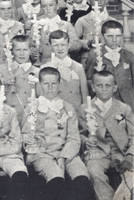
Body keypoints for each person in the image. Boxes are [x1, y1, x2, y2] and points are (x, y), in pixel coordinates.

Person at [21, 67, 91, 200]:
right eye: (46, 84)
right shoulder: (32, 107)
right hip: (43, 153)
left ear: (60, 84)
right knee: (56, 179)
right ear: (40, 85)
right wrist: (28, 141)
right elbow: (25, 133)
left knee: (82, 179)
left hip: (67, 153)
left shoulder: (67, 107)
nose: (50, 88)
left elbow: (74, 138)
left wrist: (64, 157)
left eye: (54, 83)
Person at [78, 70, 134, 200]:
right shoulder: (85, 108)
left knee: (130, 175)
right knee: (94, 172)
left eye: (108, 86)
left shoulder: (124, 108)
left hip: (121, 153)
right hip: (97, 153)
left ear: (115, 88)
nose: (104, 89)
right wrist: (86, 141)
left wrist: (130, 155)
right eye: (99, 85)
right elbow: (79, 134)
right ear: (93, 87)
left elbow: (133, 135)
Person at [0, 35, 40, 122]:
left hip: (28, 117)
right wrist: (3, 82)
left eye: (25, 50)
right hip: (8, 117)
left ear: (30, 51)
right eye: (18, 50)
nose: (22, 54)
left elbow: (40, 97)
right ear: (12, 51)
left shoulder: (37, 72)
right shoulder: (2, 70)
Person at [85, 20, 134, 106]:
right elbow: (89, 79)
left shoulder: (129, 55)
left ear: (122, 36)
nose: (114, 40)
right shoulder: (95, 55)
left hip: (128, 102)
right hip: (105, 102)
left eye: (118, 36)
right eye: (110, 36)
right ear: (103, 36)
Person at [42, 30, 88, 113]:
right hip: (53, 112)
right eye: (55, 45)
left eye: (63, 44)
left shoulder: (78, 67)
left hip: (75, 112)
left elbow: (85, 95)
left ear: (69, 45)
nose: (60, 48)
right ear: (50, 46)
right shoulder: (45, 68)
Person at [34, 0, 80, 64]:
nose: (48, 8)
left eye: (51, 5)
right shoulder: (37, 25)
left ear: (57, 6)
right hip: (43, 63)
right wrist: (39, 48)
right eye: (44, 6)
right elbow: (31, 46)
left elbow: (76, 45)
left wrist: (62, 43)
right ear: (41, 8)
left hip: (63, 62)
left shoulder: (66, 25)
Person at [74, 0, 115, 64]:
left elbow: (120, 43)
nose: (99, 2)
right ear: (89, 1)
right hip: (87, 59)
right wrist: (88, 43)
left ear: (106, 0)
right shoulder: (82, 21)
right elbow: (74, 43)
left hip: (108, 59)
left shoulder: (112, 21)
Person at [0, 0, 24, 67]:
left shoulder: (18, 25)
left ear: (13, 8)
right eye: (2, 9)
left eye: (9, 8)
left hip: (15, 64)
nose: (6, 12)